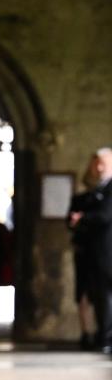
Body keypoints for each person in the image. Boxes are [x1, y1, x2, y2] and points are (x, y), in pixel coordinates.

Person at [70, 147, 112, 355]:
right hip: (92, 253)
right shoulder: (92, 194)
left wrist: (83, 219)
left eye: (103, 163)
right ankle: (99, 335)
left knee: (104, 296)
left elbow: (105, 216)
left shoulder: (108, 190)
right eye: (96, 163)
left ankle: (105, 336)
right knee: (92, 296)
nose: (99, 167)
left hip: (106, 252)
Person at [69, 155, 101, 349]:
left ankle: (99, 331)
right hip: (83, 252)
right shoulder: (80, 200)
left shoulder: (102, 200)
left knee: (99, 294)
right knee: (82, 295)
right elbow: (71, 223)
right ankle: (86, 332)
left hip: (99, 253)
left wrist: (83, 219)